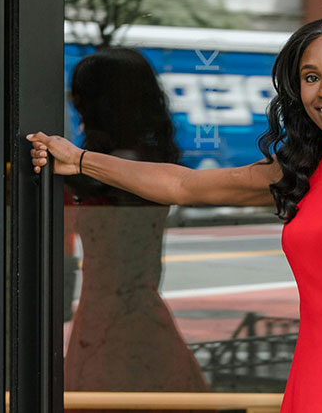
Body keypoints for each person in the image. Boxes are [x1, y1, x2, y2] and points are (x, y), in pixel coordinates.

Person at [28, 12, 322, 412]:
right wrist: (79, 160)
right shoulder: (299, 174)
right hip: (316, 376)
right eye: (310, 77)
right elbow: (182, 185)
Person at [58, 48, 208, 409]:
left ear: (92, 102)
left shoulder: (112, 169)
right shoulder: (144, 162)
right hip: (131, 308)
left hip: (111, 313)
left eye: (78, 94)